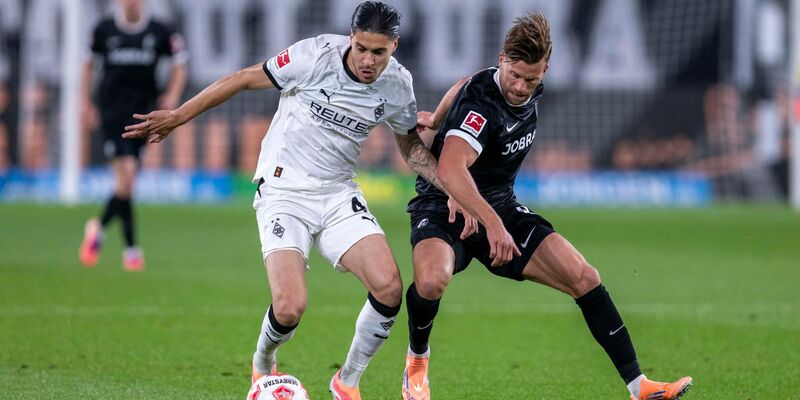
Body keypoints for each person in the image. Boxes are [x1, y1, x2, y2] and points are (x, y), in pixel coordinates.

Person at [122, 2, 444, 399]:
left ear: (394, 46)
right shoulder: (313, 56)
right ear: (350, 38)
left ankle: (347, 381)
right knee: (290, 308)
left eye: (378, 52)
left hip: (338, 193)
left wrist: (455, 191)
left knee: (389, 288)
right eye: (361, 48)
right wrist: (178, 115)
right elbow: (242, 78)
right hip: (282, 190)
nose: (368, 60)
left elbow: (410, 148)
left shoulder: (397, 84)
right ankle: (262, 364)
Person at [402, 12, 693, 400]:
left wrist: (436, 117)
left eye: (532, 79)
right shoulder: (482, 106)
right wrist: (493, 223)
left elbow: (459, 83)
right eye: (515, 76)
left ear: (545, 70)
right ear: (503, 59)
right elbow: (453, 169)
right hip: (445, 207)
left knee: (584, 276)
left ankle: (640, 387)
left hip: (499, 208)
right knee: (433, 280)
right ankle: (416, 364)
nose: (521, 87)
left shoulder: (511, 80)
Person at [79, 0, 188, 271]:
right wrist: (86, 103)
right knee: (126, 178)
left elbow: (180, 64)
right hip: (112, 113)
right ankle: (131, 251)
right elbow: (88, 66)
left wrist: (172, 96)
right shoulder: (103, 30)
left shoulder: (160, 31)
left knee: (126, 183)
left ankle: (99, 228)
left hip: (144, 114)